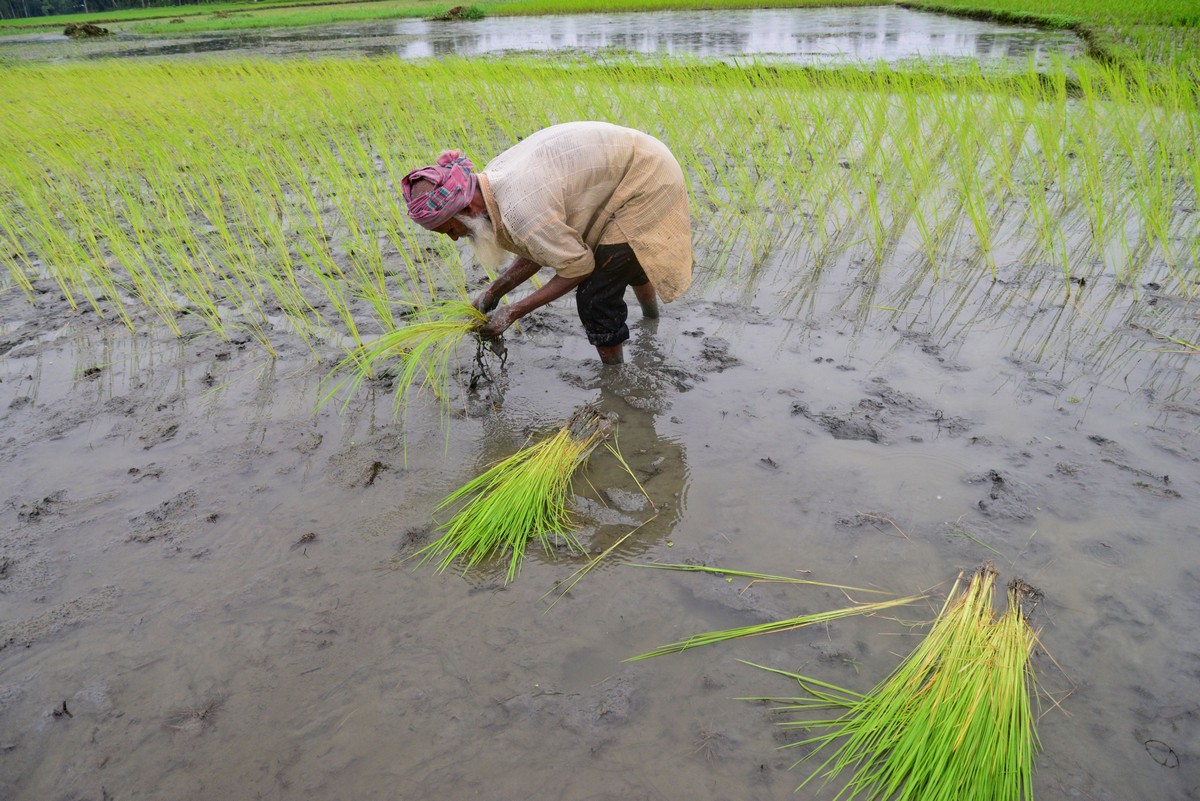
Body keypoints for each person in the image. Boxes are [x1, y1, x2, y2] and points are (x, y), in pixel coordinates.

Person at [401, 121, 692, 365]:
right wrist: (494, 292)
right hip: (635, 160)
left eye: (451, 229)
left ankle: (614, 383)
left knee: (596, 296)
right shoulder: (492, 183)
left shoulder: (521, 208)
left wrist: (512, 312)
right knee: (622, 261)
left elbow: (578, 267)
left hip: (647, 180)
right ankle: (651, 322)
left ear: (466, 209)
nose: (455, 238)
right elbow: (539, 246)